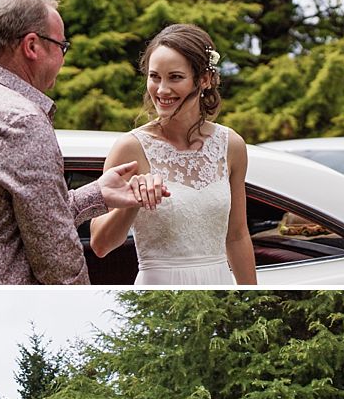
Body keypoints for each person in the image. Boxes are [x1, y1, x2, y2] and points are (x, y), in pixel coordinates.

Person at [0, 0, 168, 285]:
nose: (63, 58)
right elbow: (57, 258)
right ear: (32, 46)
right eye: (61, 47)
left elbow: (12, 221)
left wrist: (96, 195)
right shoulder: (20, 121)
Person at [89, 24, 257, 285]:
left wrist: (249, 295)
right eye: (155, 76)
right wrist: (133, 201)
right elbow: (100, 245)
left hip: (219, 282)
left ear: (204, 80)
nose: (162, 90)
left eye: (175, 77)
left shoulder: (231, 145)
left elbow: (236, 235)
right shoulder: (130, 148)